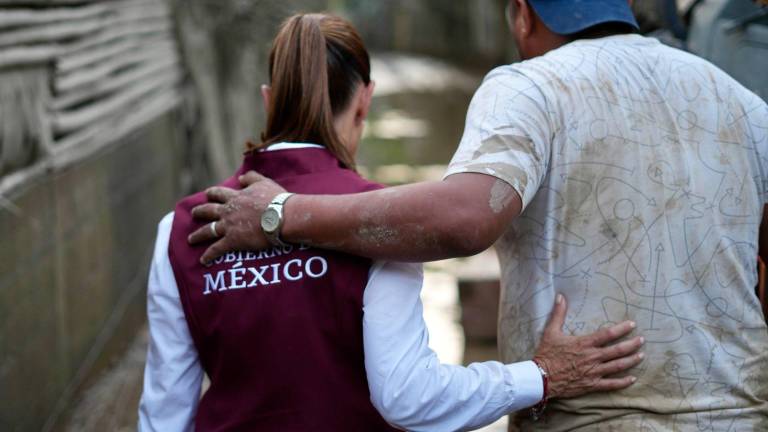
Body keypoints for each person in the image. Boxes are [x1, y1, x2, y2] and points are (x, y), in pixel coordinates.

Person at [189, 1, 768, 430]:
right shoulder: (742, 103)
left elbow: (464, 220)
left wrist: (282, 214)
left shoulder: (531, 87)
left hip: (595, 419)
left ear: (522, 15)